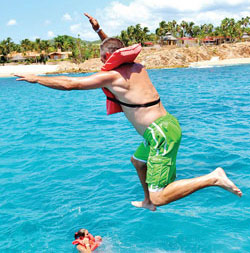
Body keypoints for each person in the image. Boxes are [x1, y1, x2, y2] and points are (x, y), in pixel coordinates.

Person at [15, 13, 242, 212]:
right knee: (138, 161)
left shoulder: (111, 77)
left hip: (159, 133)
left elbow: (70, 84)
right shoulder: (137, 67)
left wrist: (37, 78)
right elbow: (113, 50)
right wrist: (99, 30)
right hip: (165, 125)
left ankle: (212, 178)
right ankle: (147, 201)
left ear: (105, 59)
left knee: (160, 195)